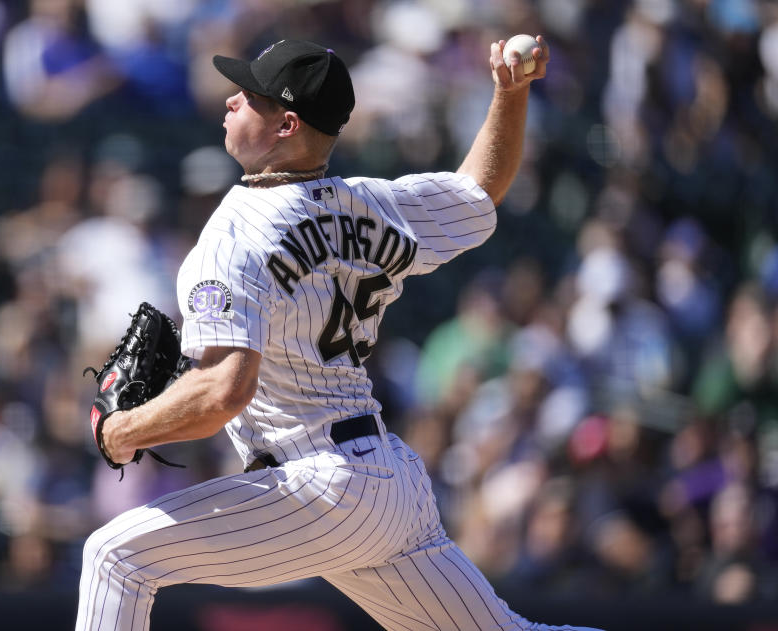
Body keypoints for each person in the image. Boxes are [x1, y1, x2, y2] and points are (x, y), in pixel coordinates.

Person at [76, 38, 602, 630]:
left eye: (249, 97)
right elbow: (481, 189)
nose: (230, 101)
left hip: (317, 482)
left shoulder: (232, 236)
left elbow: (225, 391)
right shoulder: (372, 205)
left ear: (287, 125)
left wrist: (122, 431)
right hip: (387, 483)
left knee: (113, 558)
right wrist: (511, 94)